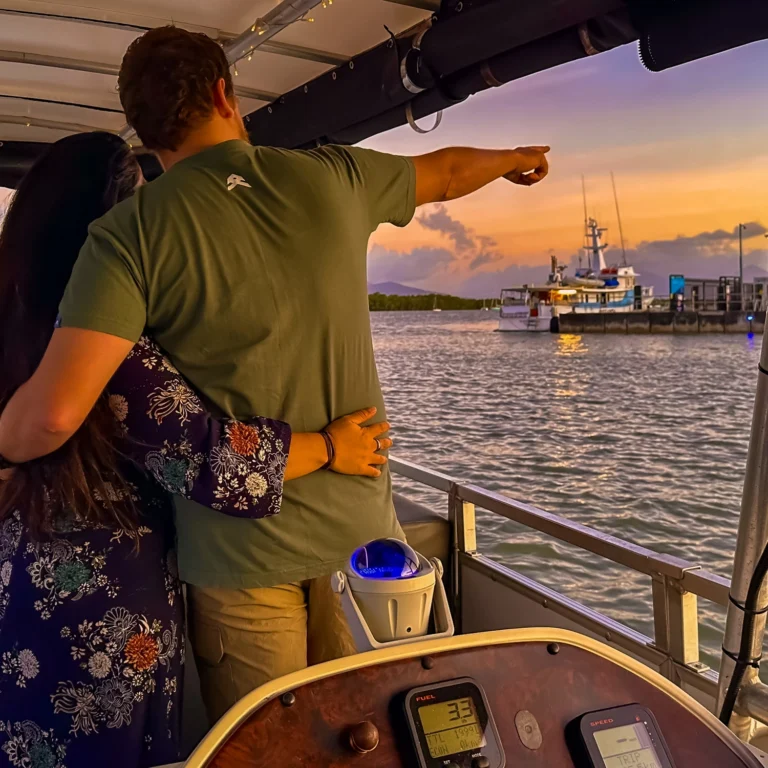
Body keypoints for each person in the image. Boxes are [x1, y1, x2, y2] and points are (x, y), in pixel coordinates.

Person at [0, 26, 550, 723]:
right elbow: (440, 171)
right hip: (362, 541)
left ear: (143, 130)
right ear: (225, 94)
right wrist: (511, 160)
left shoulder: (128, 237)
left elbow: (53, 414)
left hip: (237, 564)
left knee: (276, 746)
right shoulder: (334, 177)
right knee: (372, 739)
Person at [0, 132, 390, 767]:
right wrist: (329, 447)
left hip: (19, 584)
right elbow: (208, 457)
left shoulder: (16, 316)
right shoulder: (109, 344)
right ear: (113, 228)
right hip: (102, 606)